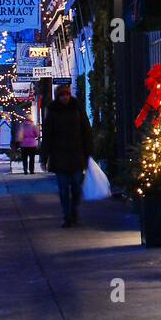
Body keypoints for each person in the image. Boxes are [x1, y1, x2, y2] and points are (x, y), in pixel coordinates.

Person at [40, 83, 94, 227]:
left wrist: (89, 151)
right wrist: (44, 157)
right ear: (58, 96)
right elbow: (47, 136)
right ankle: (67, 216)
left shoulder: (77, 109)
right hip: (59, 156)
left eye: (67, 94)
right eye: (63, 95)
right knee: (63, 189)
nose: (65, 97)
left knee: (76, 186)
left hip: (76, 154)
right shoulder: (52, 112)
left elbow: (86, 130)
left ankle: (74, 210)